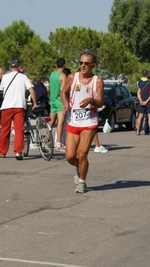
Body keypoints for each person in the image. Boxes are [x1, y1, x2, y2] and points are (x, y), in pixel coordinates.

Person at [60, 51, 104, 193]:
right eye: (80, 63)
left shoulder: (97, 81)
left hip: (89, 121)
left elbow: (100, 102)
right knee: (69, 156)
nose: (83, 66)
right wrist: (65, 103)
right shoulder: (72, 77)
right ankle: (80, 167)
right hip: (73, 121)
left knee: (82, 153)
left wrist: (91, 100)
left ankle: (82, 182)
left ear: (93, 65)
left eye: (86, 63)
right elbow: (63, 92)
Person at [0, 60, 38, 160]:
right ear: (18, 67)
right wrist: (35, 103)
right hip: (19, 106)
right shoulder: (23, 77)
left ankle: (2, 152)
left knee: (5, 129)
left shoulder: (5, 77)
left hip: (6, 107)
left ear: (10, 68)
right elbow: (31, 90)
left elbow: (1, 91)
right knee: (19, 129)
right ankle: (18, 152)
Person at [49, 58, 67, 151]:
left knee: (50, 123)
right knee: (60, 123)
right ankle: (58, 143)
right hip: (59, 101)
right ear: (64, 65)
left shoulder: (52, 74)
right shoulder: (62, 75)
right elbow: (63, 90)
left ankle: (48, 142)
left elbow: (49, 88)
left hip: (53, 101)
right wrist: (65, 103)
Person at [136, 71, 150, 135]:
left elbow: (138, 92)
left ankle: (138, 131)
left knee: (140, 116)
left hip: (141, 101)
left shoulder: (142, 83)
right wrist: (146, 101)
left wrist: (141, 100)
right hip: (149, 102)